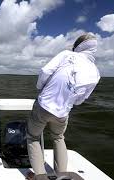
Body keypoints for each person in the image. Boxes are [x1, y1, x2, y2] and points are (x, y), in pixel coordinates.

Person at [26, 34, 100, 179]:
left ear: (77, 46)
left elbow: (45, 71)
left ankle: (40, 176)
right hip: (63, 113)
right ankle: (61, 175)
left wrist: (40, 87)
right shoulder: (95, 72)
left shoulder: (67, 54)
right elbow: (80, 100)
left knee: (33, 137)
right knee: (58, 137)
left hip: (44, 105)